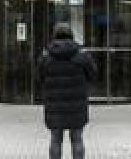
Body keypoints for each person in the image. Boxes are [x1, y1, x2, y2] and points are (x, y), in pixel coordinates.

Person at [36, 22, 97, 159]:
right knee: (77, 139)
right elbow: (93, 74)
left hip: (54, 104)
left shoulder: (46, 56)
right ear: (71, 35)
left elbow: (39, 78)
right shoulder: (82, 55)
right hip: (77, 104)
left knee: (56, 139)